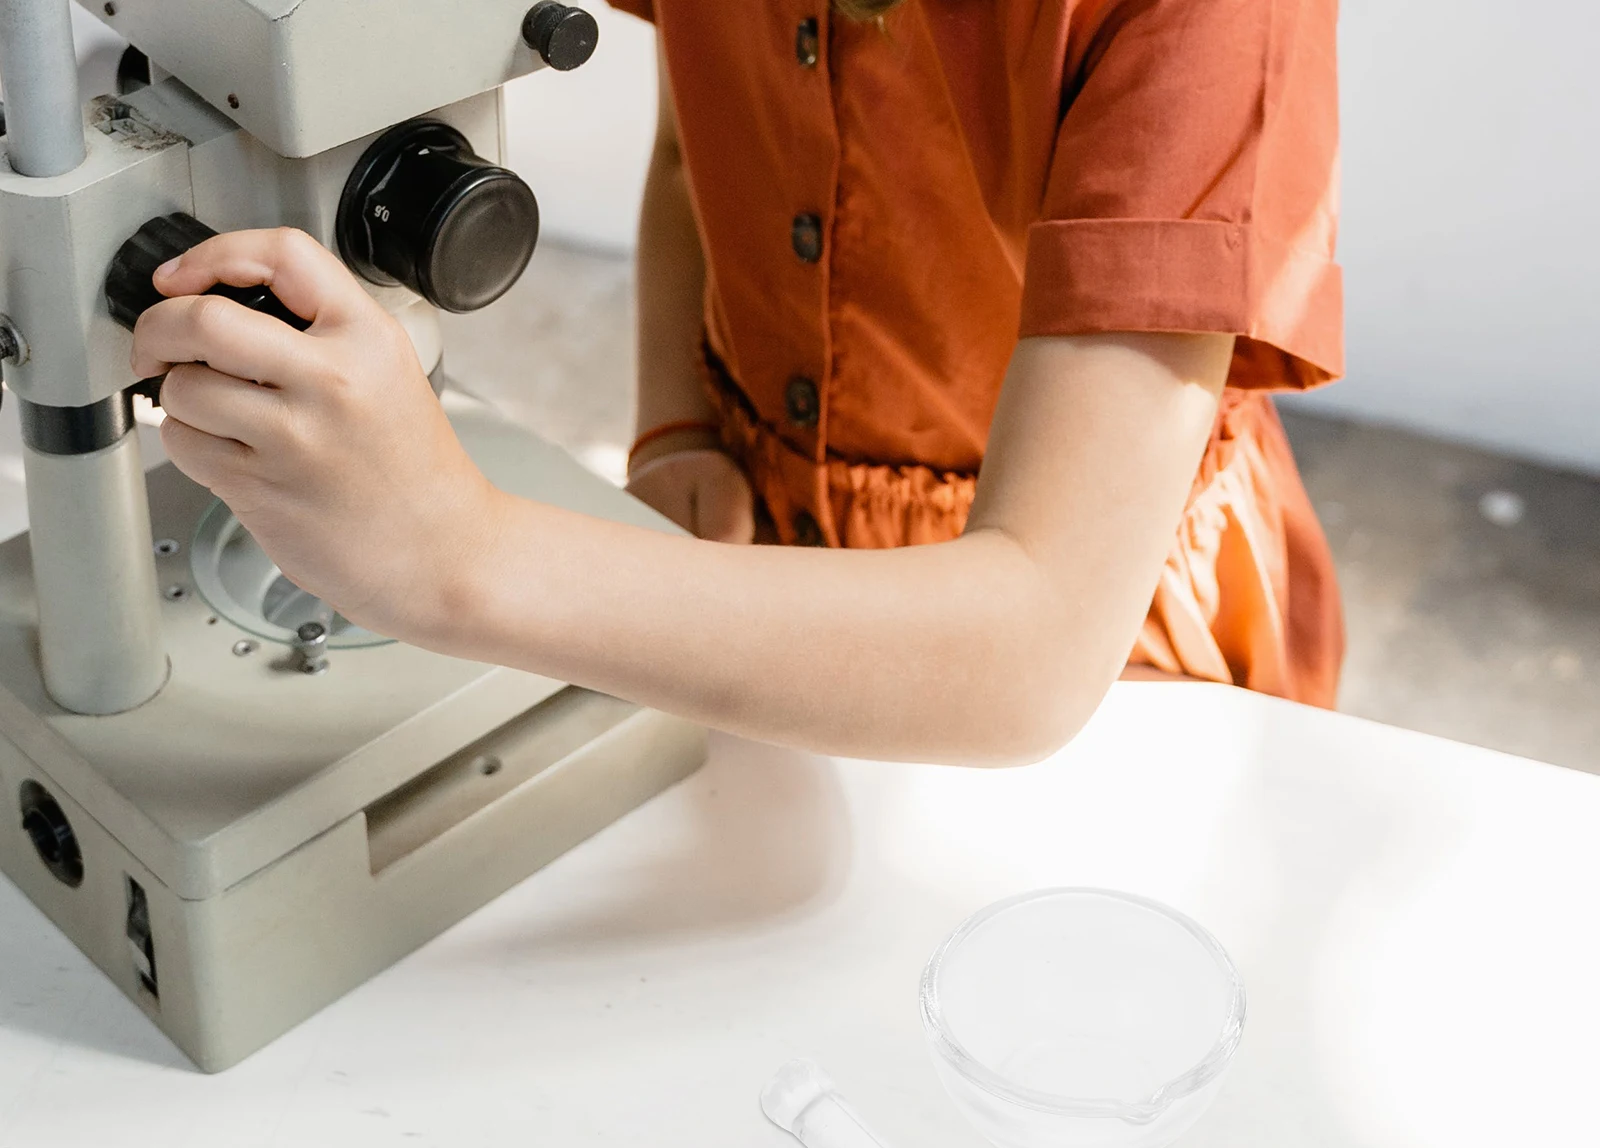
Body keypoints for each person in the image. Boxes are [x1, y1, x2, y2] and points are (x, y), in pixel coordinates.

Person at [132, 0, 1342, 767]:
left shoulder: (1217, 22)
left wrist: (457, 552)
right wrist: (676, 426)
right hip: (764, 520)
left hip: (1083, 623)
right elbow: (696, 142)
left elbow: (1030, 650)